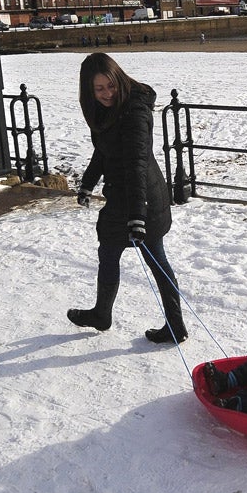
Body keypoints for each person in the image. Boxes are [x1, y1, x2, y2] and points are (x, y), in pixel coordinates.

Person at [67, 52, 187, 343]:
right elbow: (105, 148)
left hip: (141, 197)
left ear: (119, 80)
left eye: (111, 86)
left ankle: (175, 325)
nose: (107, 93)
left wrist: (137, 216)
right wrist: (87, 183)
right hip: (125, 197)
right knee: (108, 252)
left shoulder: (133, 111)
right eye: (99, 89)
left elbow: (135, 164)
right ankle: (102, 313)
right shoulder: (107, 113)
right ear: (89, 91)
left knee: (155, 259)